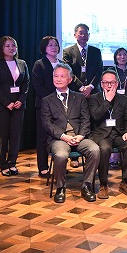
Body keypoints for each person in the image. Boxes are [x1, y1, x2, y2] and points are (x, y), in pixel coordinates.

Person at [41, 63, 100, 203]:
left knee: (95, 150)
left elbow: (86, 120)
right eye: (56, 76)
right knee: (61, 155)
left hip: (79, 137)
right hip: (59, 139)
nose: (58, 79)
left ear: (70, 79)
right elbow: (47, 124)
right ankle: (60, 187)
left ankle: (87, 186)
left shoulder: (79, 97)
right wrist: (64, 136)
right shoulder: (47, 100)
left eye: (62, 76)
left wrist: (80, 136)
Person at [32, 36, 82, 178]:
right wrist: (52, 100)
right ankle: (43, 167)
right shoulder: (39, 64)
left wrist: (82, 88)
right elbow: (37, 86)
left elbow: (72, 79)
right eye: (50, 45)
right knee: (43, 136)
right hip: (44, 105)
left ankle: (59, 166)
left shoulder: (62, 64)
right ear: (44, 48)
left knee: (59, 136)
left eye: (55, 45)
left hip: (63, 106)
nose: (54, 47)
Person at [89, 70, 127, 197]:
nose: (109, 85)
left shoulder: (124, 100)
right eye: (106, 83)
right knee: (104, 148)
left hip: (119, 133)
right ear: (101, 84)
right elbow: (95, 116)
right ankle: (103, 184)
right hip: (102, 134)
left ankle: (125, 182)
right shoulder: (94, 99)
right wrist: (107, 101)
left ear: (117, 83)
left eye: (112, 82)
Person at [0, 36, 29, 176]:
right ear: (2, 48)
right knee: (2, 136)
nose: (12, 48)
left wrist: (21, 100)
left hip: (18, 105)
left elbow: (26, 84)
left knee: (15, 136)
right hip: (1, 106)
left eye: (14, 45)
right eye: (8, 46)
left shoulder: (22, 63)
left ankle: (12, 163)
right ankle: (3, 164)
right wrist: (7, 103)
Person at [62, 23, 104, 97]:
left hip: (94, 92)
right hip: (75, 91)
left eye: (86, 33)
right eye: (80, 33)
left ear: (89, 35)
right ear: (75, 35)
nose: (83, 35)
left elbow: (99, 71)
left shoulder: (96, 51)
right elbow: (68, 72)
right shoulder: (67, 52)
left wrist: (90, 86)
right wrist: (81, 87)